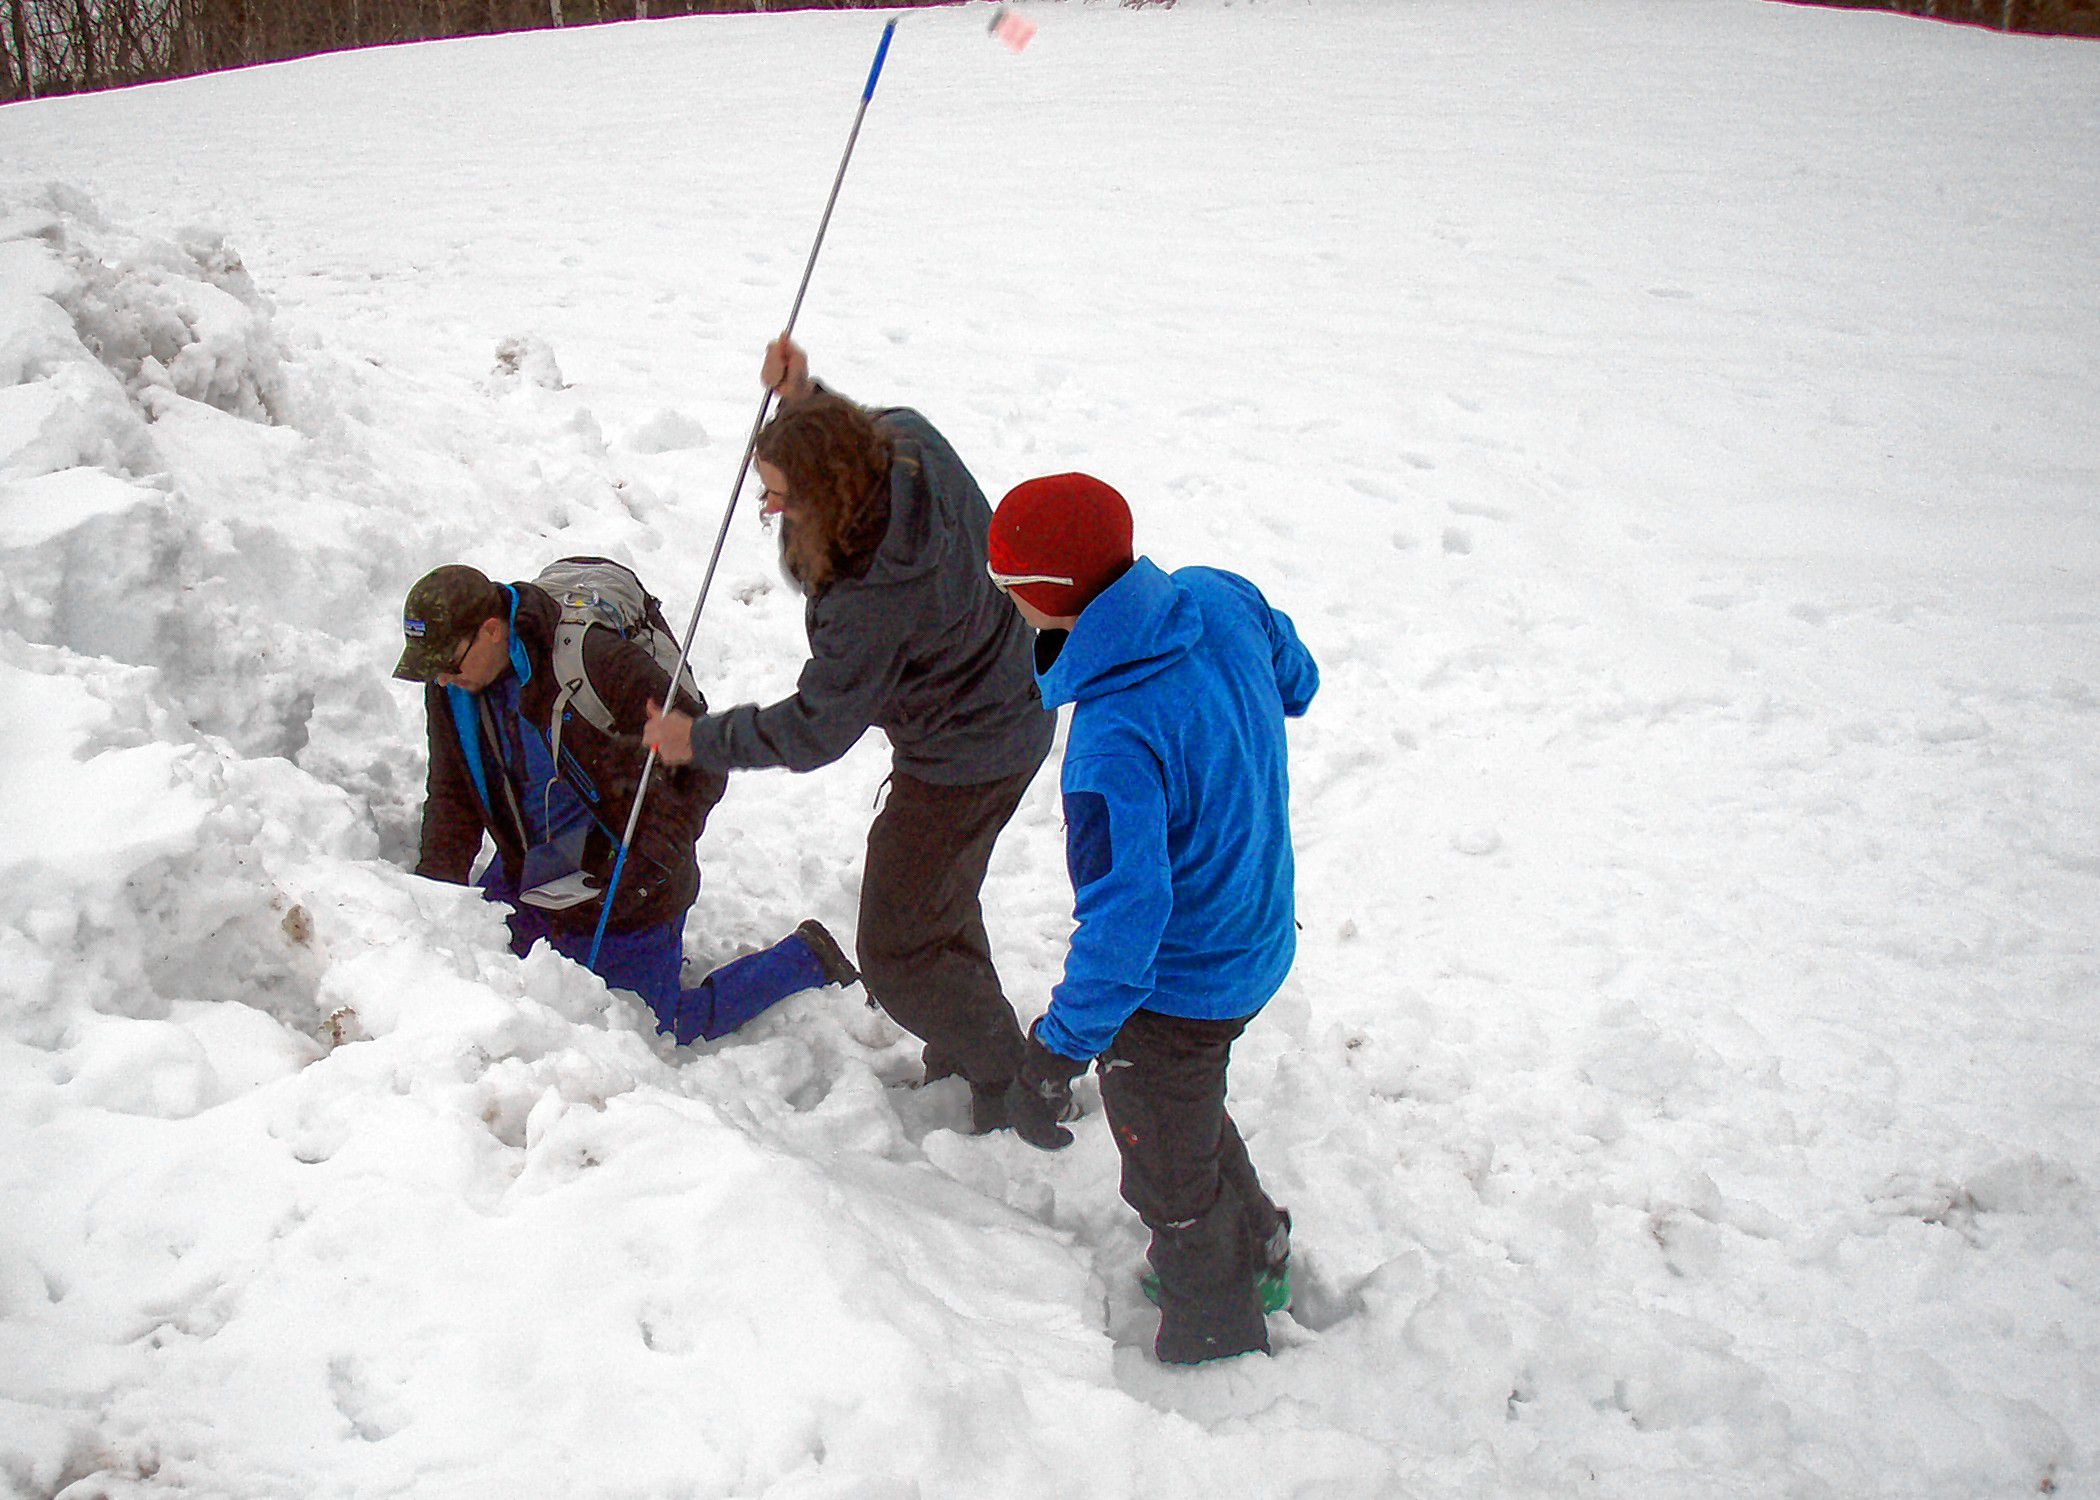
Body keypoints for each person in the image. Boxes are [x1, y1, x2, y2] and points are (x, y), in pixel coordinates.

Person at [643, 339, 1055, 1130]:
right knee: (935, 900)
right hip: (1008, 693)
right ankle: (970, 1046)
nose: (770, 511)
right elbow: (848, 435)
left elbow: (816, 729)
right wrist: (803, 398)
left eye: (782, 497)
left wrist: (699, 739)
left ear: (827, 497)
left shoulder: (871, 597)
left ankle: (1010, 1078)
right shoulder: (907, 440)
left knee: (897, 953)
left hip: (968, 753)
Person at [983, 472, 1319, 1367]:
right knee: (1188, 1100)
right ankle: (1262, 1246)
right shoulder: (1216, 595)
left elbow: (1125, 935)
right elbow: (1300, 678)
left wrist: (1057, 1051)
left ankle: (1216, 1336)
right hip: (1257, 924)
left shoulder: (1111, 744)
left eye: (1008, 589)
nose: (1005, 606)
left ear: (1048, 599)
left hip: (1182, 982)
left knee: (1167, 1167)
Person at [393, 562, 859, 1043]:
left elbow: (702, 758)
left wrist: (645, 869)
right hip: (535, 863)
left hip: (630, 874)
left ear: (491, 631)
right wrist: (432, 906)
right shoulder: (453, 685)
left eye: (448, 665)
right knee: (478, 974)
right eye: (432, 671)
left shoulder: (592, 661)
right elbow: (452, 794)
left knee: (645, 1031)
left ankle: (807, 957)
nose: (442, 679)